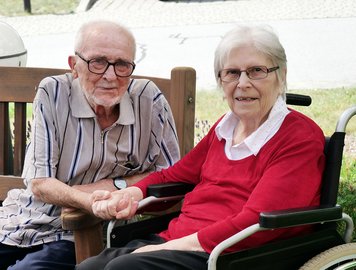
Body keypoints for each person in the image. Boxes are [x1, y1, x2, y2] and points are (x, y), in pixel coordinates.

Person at [77, 24, 326, 270]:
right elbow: (173, 175)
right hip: (182, 242)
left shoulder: (297, 137)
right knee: (92, 267)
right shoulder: (225, 129)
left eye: (257, 70)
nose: (243, 83)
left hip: (235, 255)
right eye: (231, 73)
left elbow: (255, 223)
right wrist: (131, 193)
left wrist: (166, 248)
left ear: (281, 75)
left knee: (124, 268)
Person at [0, 20, 180, 270]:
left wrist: (115, 186)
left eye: (122, 64)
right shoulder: (53, 93)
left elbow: (172, 178)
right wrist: (92, 200)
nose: (110, 75)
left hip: (86, 232)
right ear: (74, 66)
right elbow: (40, 183)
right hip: (22, 220)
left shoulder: (149, 100)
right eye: (98, 62)